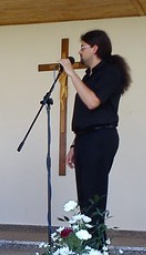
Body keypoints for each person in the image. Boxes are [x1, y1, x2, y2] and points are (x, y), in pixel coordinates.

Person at [59, 29, 131, 232]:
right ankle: (87, 242)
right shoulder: (90, 75)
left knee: (94, 196)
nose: (79, 51)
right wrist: (75, 144)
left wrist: (71, 73)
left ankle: (96, 245)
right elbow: (85, 115)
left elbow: (92, 102)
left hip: (100, 138)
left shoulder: (109, 72)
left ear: (95, 48)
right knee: (85, 196)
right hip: (85, 139)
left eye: (83, 47)